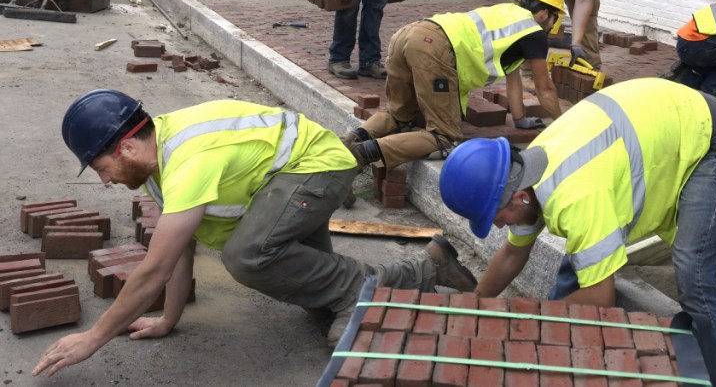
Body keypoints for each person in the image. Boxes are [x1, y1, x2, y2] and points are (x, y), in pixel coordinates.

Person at [34, 91, 478, 377]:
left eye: (102, 168)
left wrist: (92, 339)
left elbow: (154, 270)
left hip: (318, 168)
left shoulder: (187, 160)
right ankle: (423, 268)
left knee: (247, 256)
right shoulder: (156, 165)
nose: (105, 181)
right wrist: (169, 320)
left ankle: (391, 278)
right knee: (310, 291)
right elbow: (178, 249)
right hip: (283, 183)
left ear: (126, 147)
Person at [438, 78, 716, 387]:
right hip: (662, 120)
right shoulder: (525, 172)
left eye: (496, 216)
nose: (498, 225)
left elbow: (601, 297)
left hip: (713, 142)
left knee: (695, 276)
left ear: (519, 196)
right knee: (581, 260)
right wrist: (475, 308)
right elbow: (512, 253)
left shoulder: (575, 196)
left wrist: (526, 326)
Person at [342, 0, 565, 171]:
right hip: (433, 48)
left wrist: (520, 119)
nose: (553, 26)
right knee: (444, 138)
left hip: (407, 34)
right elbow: (545, 89)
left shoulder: (507, 14)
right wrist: (562, 124)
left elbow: (513, 77)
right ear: (544, 14)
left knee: (399, 117)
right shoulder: (534, 32)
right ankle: (357, 156)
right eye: (555, 19)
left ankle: (347, 143)